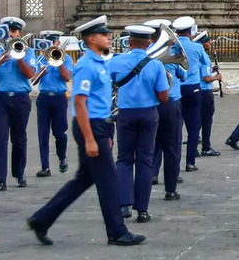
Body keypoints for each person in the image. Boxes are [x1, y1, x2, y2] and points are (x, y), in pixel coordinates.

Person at [27, 16, 145, 246]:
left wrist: (104, 133)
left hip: (99, 125)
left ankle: (42, 218)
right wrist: (91, 139)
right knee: (109, 181)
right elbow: (79, 103)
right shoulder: (86, 65)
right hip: (90, 126)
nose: (109, 37)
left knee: (83, 180)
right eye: (104, 34)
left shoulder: (99, 63)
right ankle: (116, 231)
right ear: (91, 39)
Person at [109, 25, 169, 224]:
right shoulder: (156, 65)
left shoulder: (117, 62)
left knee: (124, 158)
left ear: (129, 42)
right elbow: (164, 97)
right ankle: (142, 210)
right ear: (149, 43)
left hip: (126, 113)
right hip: (148, 113)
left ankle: (124, 203)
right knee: (145, 160)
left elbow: (107, 84)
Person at [0, 16, 36, 191]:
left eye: (14, 31)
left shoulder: (28, 52)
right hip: (0, 99)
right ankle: (0, 179)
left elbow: (29, 75)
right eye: (8, 32)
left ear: (20, 34)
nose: (11, 35)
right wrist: (0, 60)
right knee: (0, 139)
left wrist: (19, 56)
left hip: (20, 98)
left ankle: (20, 174)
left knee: (19, 139)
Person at [150, 20, 187, 200]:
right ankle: (171, 188)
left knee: (153, 144)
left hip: (151, 105)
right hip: (170, 102)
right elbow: (183, 75)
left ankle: (153, 174)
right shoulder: (172, 54)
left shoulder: (145, 57)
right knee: (172, 146)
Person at [170, 17, 208, 172]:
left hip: (178, 90)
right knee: (194, 127)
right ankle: (190, 161)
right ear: (191, 32)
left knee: (177, 129)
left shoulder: (172, 48)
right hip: (193, 88)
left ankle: (175, 164)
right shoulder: (197, 47)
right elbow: (205, 62)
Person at [33, 31, 73, 177]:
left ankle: (62, 157)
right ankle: (45, 167)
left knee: (60, 132)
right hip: (44, 98)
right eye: (48, 43)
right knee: (42, 133)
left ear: (58, 43)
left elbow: (67, 77)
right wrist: (41, 72)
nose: (51, 45)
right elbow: (33, 80)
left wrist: (59, 62)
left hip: (59, 98)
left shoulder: (66, 58)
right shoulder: (40, 59)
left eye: (54, 42)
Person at [196, 30, 222, 157]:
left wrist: (212, 70)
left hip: (198, 90)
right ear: (203, 43)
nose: (210, 43)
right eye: (208, 41)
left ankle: (194, 146)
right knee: (206, 121)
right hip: (205, 92)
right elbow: (206, 78)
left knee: (197, 121)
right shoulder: (204, 57)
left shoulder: (197, 56)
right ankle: (206, 146)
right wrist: (216, 77)